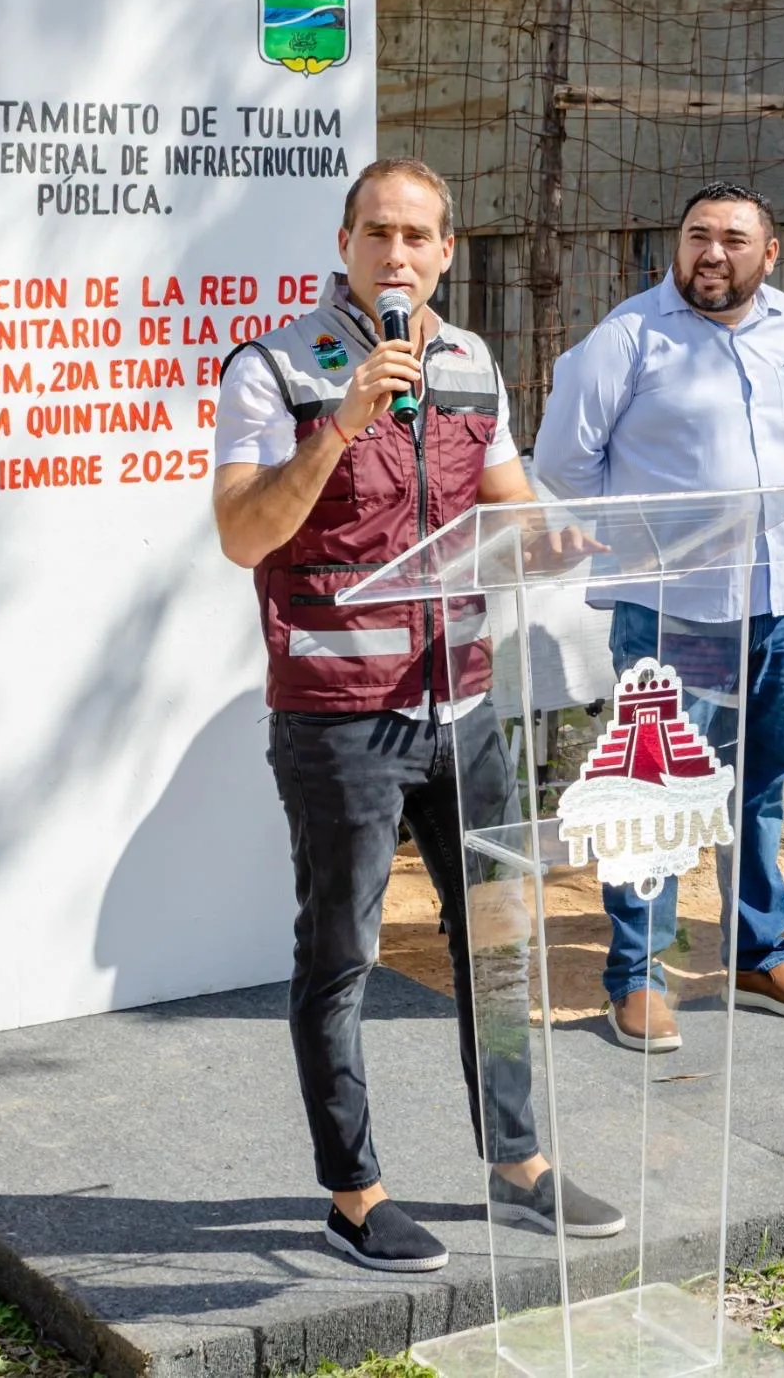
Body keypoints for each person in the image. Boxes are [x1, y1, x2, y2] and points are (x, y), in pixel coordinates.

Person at [210, 158, 622, 1274]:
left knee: (496, 935)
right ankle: (354, 1194)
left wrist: (549, 538)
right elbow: (244, 534)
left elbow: (507, 505)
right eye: (377, 232)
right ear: (344, 242)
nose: (397, 253)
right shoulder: (273, 367)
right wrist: (341, 424)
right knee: (341, 955)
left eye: (417, 235)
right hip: (340, 714)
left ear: (446, 251)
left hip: (465, 700)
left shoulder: (472, 363)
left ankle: (518, 1163)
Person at [536, 180, 784, 1049]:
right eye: (697, 235)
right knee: (656, 794)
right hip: (674, 616)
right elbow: (562, 459)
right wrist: (637, 544)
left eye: (734, 239)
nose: (712, 253)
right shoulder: (628, 337)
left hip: (779, 603)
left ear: (769, 253)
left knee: (762, 784)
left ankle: (757, 953)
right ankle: (637, 977)